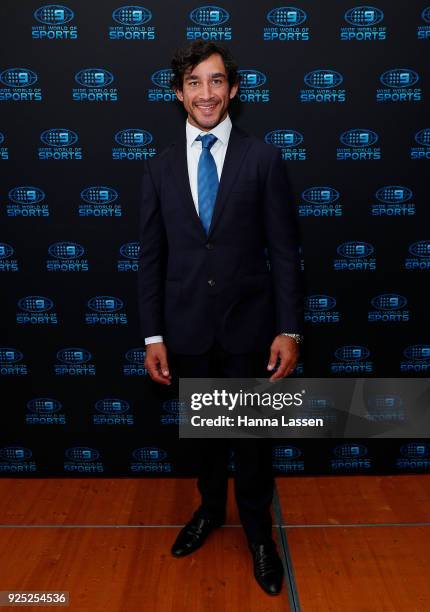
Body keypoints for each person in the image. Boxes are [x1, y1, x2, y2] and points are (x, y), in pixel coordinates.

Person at [138, 40, 303, 596]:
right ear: (179, 93)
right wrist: (154, 334)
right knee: (203, 441)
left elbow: (284, 252)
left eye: (215, 82)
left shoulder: (263, 160)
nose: (205, 93)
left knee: (253, 442)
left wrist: (288, 328)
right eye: (193, 83)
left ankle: (259, 535)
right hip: (186, 332)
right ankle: (210, 512)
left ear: (232, 90)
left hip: (249, 331)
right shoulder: (159, 167)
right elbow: (152, 257)